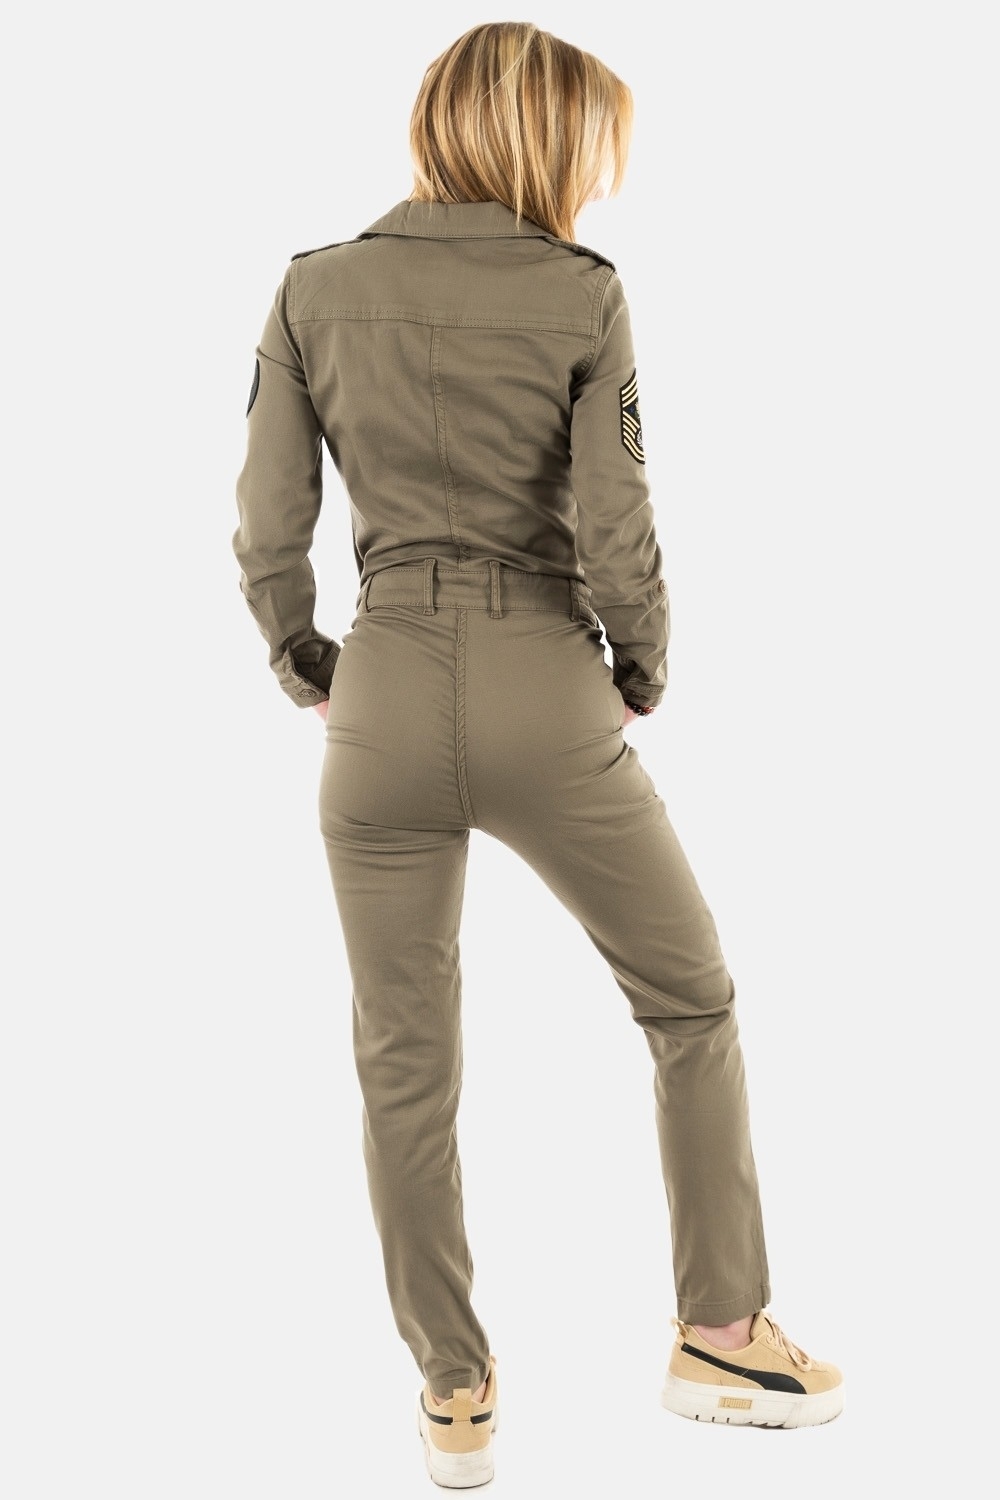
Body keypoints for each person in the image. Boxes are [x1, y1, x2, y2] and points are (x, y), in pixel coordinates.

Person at [232, 20, 844, 1488]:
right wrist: (642, 665)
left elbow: (265, 525)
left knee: (404, 1063)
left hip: (379, 692)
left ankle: (455, 1392)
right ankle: (723, 1338)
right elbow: (619, 521)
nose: (601, 176)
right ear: (548, 140)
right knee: (688, 1000)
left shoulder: (312, 287)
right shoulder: (583, 294)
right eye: (594, 147)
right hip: (544, 682)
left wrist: (306, 663)